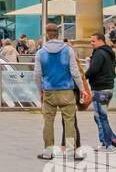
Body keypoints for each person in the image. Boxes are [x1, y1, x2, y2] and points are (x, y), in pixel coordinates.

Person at [33, 23, 89, 161]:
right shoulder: (68, 50)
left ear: (46, 34)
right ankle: (70, 151)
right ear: (58, 34)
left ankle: (47, 151)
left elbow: (37, 74)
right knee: (69, 122)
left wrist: (41, 90)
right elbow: (75, 72)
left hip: (49, 91)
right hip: (66, 91)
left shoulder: (41, 52)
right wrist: (82, 89)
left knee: (48, 122)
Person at [85, 31, 116, 151]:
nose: (91, 43)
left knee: (100, 117)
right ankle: (112, 139)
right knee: (99, 116)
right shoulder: (109, 53)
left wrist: (85, 76)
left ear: (101, 40)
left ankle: (107, 143)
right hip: (108, 88)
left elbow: (94, 70)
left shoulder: (99, 53)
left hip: (100, 89)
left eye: (93, 41)